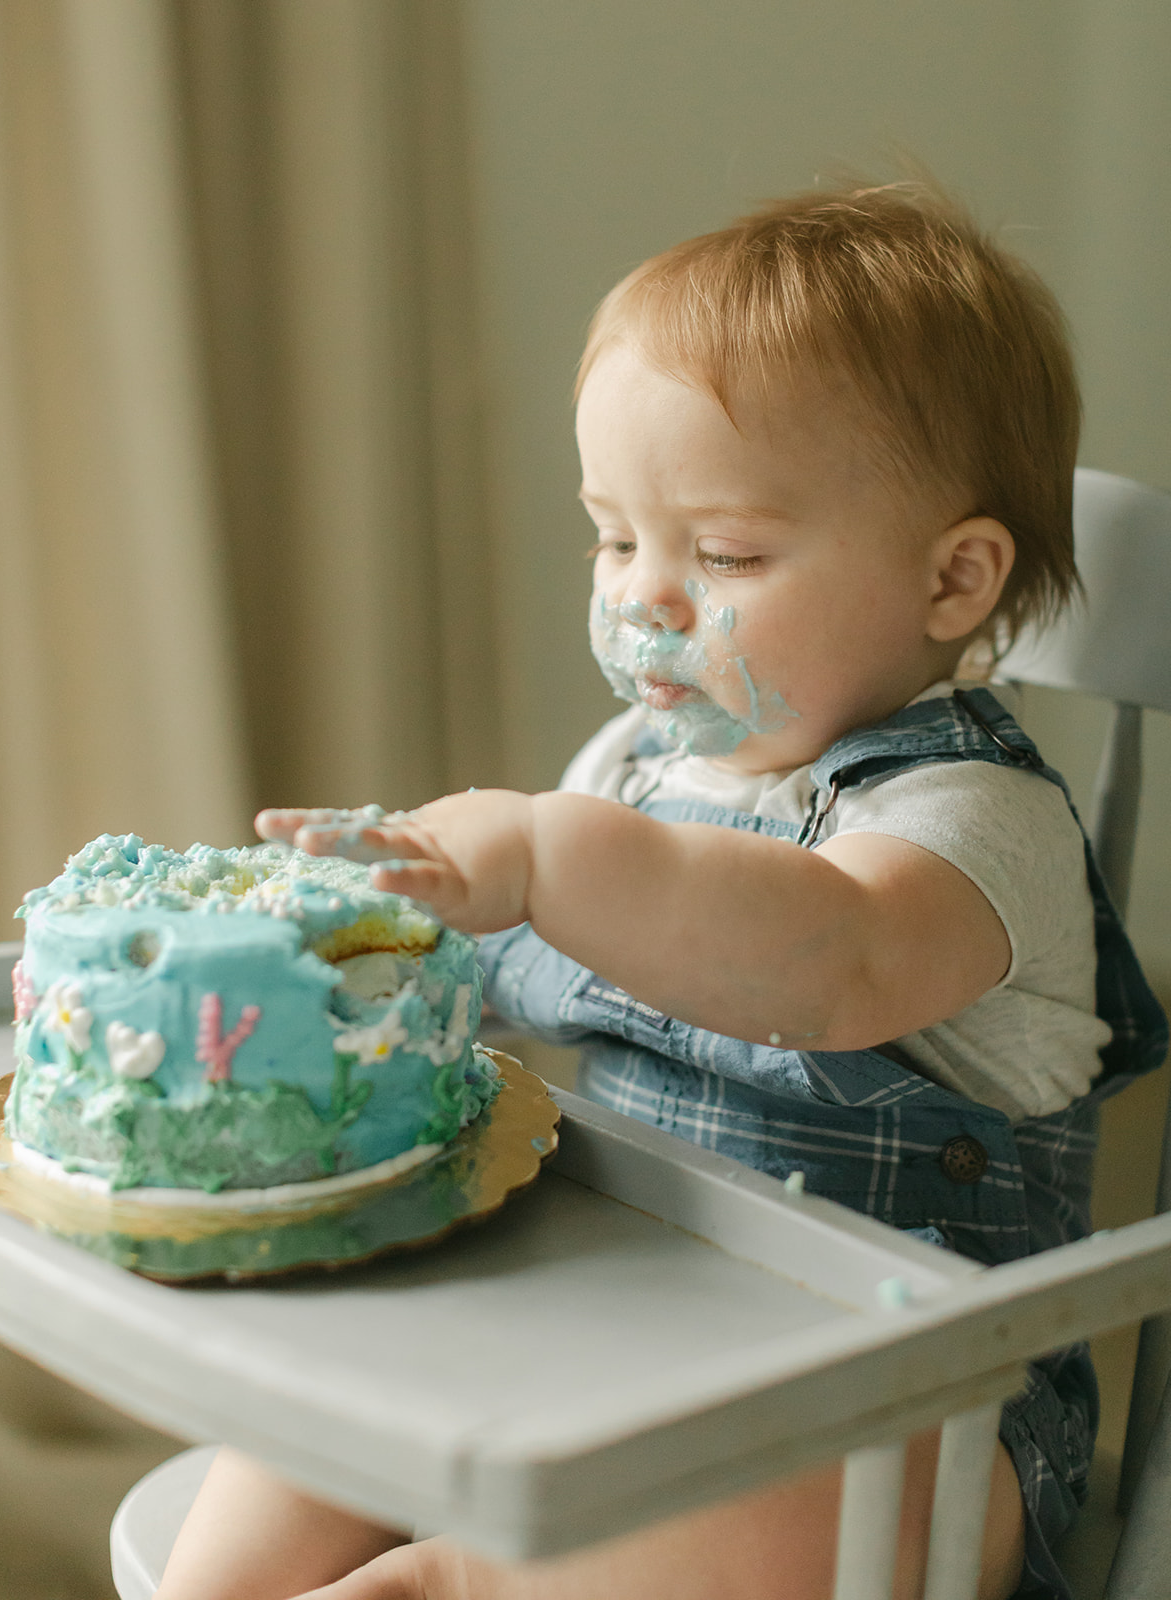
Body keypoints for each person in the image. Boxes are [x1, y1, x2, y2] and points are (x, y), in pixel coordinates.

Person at [154, 183, 1167, 1600]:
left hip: (894, 1405)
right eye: (613, 538)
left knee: (851, 1504)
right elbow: (489, 1003)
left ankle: (456, 1581)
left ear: (955, 579)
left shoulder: (971, 826)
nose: (645, 601)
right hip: (615, 1311)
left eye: (726, 554)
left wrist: (549, 859)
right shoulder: (629, 770)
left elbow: (828, 962)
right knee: (336, 1380)